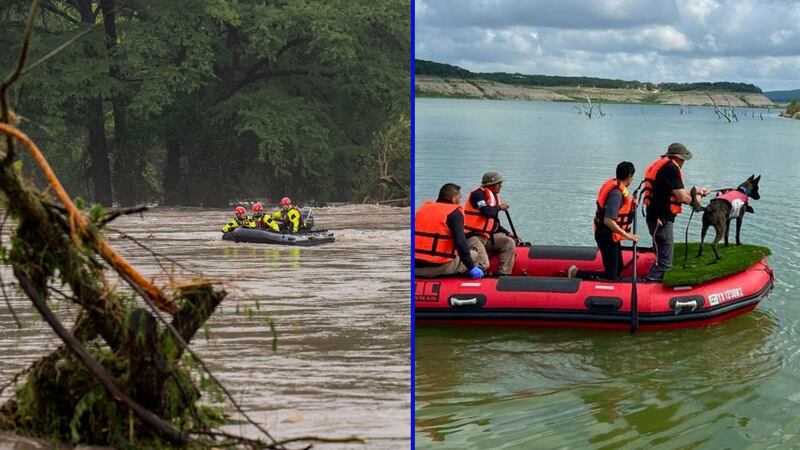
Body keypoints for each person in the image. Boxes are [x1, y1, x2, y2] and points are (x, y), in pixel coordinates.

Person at [642, 143, 710, 281]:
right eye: (684, 159)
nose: (684, 162)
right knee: (665, 263)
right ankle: (651, 282)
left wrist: (697, 192)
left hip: (654, 217)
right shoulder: (671, 169)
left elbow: (676, 190)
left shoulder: (664, 166)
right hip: (662, 220)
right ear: (679, 158)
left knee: (661, 253)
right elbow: (682, 198)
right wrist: (697, 200)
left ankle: (650, 279)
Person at [569, 162, 639, 280]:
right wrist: (627, 235)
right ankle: (576, 273)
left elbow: (620, 209)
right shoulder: (616, 194)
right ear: (629, 176)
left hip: (612, 235)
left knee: (619, 268)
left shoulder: (617, 189)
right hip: (606, 235)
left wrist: (632, 205)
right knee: (611, 276)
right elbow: (608, 220)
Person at [415, 183, 484, 278]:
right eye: (459, 198)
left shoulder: (423, 209)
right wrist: (471, 267)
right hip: (438, 267)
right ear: (453, 199)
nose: (460, 202)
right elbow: (460, 243)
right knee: (475, 254)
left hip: (415, 265)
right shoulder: (454, 213)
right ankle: (464, 279)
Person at [464, 171, 517, 275]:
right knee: (484, 264)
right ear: (490, 184)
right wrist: (499, 207)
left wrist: (507, 233)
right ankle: (464, 274)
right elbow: (488, 212)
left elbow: (493, 223)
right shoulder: (477, 195)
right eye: (498, 183)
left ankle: (503, 274)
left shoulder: (492, 197)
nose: (501, 186)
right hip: (472, 236)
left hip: (485, 237)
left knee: (508, 242)